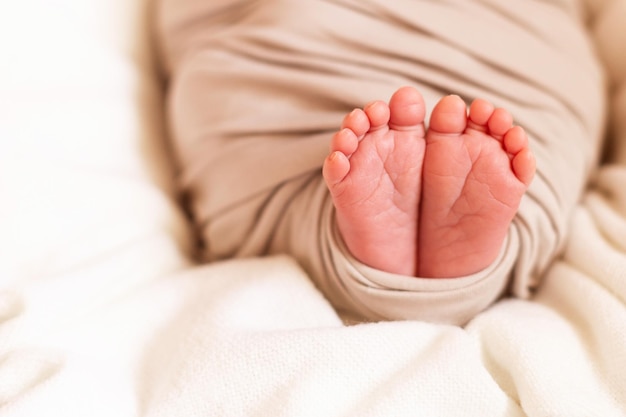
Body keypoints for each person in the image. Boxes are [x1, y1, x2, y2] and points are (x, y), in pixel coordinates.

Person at [155, 0, 606, 324]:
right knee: (529, 123)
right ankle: (486, 263)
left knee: (239, 94)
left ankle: (325, 231)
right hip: (503, 40)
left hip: (298, 37)